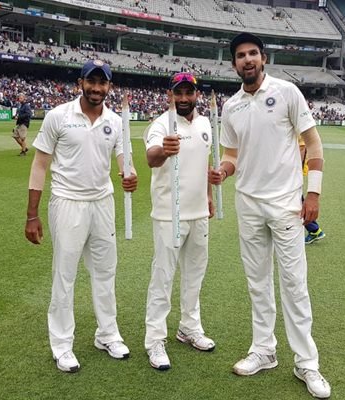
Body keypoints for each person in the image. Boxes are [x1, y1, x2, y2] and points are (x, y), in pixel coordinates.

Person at [208, 33, 331, 399]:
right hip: (248, 203)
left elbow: (314, 143)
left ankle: (306, 362)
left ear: (264, 59)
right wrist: (223, 172)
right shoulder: (231, 107)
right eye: (241, 56)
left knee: (294, 283)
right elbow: (232, 156)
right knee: (257, 282)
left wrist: (314, 193)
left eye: (253, 54)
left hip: (286, 203)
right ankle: (264, 350)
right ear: (234, 64)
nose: (247, 60)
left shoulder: (288, 92)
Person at [24, 60, 138, 373]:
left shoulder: (116, 121)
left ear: (109, 87)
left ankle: (107, 334)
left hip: (102, 203)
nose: (97, 88)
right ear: (81, 83)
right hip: (67, 203)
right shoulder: (58, 116)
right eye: (92, 82)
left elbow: (124, 161)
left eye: (103, 83)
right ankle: (62, 345)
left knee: (105, 273)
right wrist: (32, 214)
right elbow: (39, 165)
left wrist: (130, 175)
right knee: (65, 276)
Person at [143, 72, 215, 371]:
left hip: (198, 212)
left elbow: (206, 162)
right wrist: (164, 150)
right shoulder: (161, 124)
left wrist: (209, 196)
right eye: (178, 93)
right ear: (169, 95)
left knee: (194, 276)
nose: (184, 98)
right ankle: (154, 339)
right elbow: (151, 158)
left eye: (189, 93)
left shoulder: (204, 122)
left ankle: (188, 328)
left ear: (196, 94)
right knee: (163, 276)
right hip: (168, 213)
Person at [299, 135, 325, 245]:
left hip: (289, 172)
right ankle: (314, 229)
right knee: (297, 199)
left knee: (297, 201)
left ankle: (314, 230)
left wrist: (296, 170)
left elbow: (302, 148)